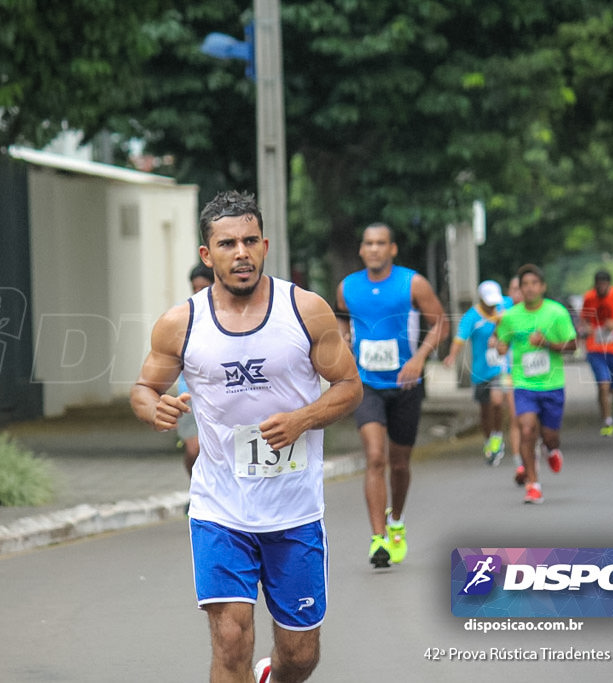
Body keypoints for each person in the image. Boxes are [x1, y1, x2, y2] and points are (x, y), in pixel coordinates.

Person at [130, 191, 362, 683]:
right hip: (220, 508)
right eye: (228, 243)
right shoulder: (181, 323)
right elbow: (143, 389)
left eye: (250, 241)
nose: (241, 253)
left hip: (293, 510)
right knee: (231, 640)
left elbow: (349, 387)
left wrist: (302, 418)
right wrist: (156, 409)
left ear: (265, 245)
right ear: (206, 254)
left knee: (300, 656)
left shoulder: (305, 310)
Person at [336, 222, 448, 568]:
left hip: (405, 385)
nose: (374, 249)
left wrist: (418, 358)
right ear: (361, 249)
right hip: (366, 384)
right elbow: (342, 321)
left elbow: (440, 322)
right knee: (375, 457)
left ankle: (396, 519)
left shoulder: (411, 282)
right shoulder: (348, 287)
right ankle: (378, 538)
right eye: (368, 243)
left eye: (380, 243)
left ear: (392, 249)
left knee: (399, 463)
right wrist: (343, 342)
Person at [495, 264, 577, 504]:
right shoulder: (510, 317)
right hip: (523, 384)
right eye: (525, 285)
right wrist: (501, 347)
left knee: (550, 435)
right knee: (527, 429)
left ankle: (552, 449)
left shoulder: (557, 313)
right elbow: (502, 341)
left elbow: (572, 346)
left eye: (534, 284)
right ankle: (533, 483)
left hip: (552, 384)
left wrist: (547, 344)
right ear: (519, 289)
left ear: (542, 287)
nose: (529, 289)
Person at [442, 280, 512, 465]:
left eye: (494, 303)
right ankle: (489, 440)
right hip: (481, 370)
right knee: (485, 408)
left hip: (501, 366)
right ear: (480, 299)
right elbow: (460, 338)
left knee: (497, 401)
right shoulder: (471, 317)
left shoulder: (506, 305)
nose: (492, 306)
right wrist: (451, 356)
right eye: (488, 303)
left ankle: (497, 436)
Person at [578, 270, 613, 437]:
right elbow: (584, 320)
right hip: (595, 348)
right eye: (598, 284)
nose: (601, 287)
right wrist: (586, 328)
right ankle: (607, 420)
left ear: (608, 284)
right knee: (603, 384)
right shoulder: (589, 298)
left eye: (604, 284)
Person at [178, 262, 215, 478]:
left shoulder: (230, 316)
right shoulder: (184, 316)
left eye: (204, 288)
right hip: (188, 395)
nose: (199, 294)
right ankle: (194, 489)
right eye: (195, 289)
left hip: (219, 394)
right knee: (194, 449)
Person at [504, 276, 526, 484]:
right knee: (515, 418)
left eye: (521, 289)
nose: (518, 293)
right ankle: (520, 463)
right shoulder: (504, 314)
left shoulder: (539, 313)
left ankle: (532, 455)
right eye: (514, 289)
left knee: (530, 422)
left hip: (536, 377)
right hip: (510, 374)